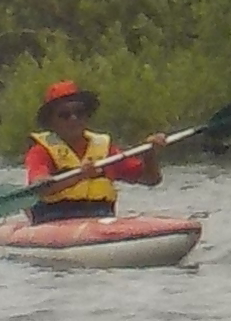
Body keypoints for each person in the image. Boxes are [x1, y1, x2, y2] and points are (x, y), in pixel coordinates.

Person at [21, 79, 159, 223]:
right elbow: (40, 186)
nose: (73, 119)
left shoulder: (105, 148)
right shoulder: (40, 151)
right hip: (55, 220)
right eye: (64, 115)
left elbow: (150, 179)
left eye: (79, 112)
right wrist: (80, 176)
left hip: (101, 219)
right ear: (51, 122)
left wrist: (150, 154)